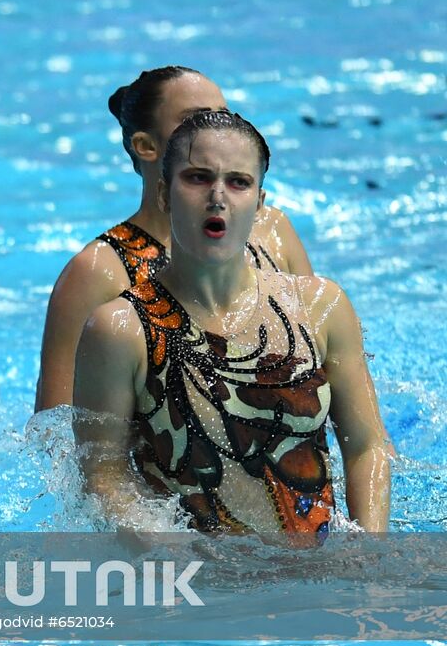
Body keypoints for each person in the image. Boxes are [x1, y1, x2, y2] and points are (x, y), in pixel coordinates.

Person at [72, 109, 391, 539]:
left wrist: (368, 556)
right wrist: (170, 556)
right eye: (198, 178)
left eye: (238, 182)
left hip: (318, 575)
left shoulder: (320, 306)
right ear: (165, 195)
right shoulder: (121, 328)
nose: (217, 196)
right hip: (201, 583)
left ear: (259, 204)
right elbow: (103, 473)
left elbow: (367, 448)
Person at [37, 67, 315, 412]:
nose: (215, 133)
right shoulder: (98, 271)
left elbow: (325, 362)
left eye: (223, 119)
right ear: (146, 146)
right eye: (196, 121)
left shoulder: (271, 230)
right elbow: (55, 430)